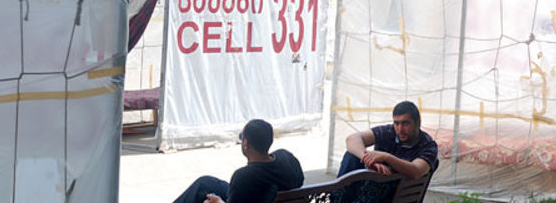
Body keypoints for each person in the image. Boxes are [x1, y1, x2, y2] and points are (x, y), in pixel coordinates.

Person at [172, 119, 304, 203]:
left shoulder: (244, 176)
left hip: (256, 194)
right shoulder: (286, 157)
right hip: (262, 195)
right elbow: (299, 180)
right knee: (205, 184)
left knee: (204, 194)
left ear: (245, 143)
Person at [336, 101, 438, 202]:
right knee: (352, 155)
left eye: (405, 123)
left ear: (418, 123)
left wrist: (386, 157)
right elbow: (352, 139)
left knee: (376, 185)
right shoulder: (388, 132)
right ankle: (336, 197)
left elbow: (416, 170)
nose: (400, 129)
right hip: (371, 192)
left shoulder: (428, 146)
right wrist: (369, 159)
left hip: (393, 196)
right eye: (396, 123)